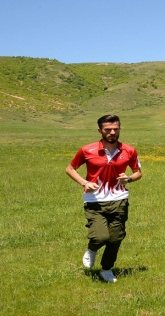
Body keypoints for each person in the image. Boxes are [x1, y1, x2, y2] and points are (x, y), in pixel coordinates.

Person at [65, 114, 142, 283]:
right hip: (94, 200)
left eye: (116, 128)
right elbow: (70, 169)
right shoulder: (87, 150)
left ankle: (106, 269)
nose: (112, 132)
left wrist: (128, 178)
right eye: (108, 129)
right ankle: (92, 249)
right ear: (100, 130)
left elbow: (138, 172)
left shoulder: (129, 150)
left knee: (116, 238)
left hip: (119, 199)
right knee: (100, 237)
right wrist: (84, 182)